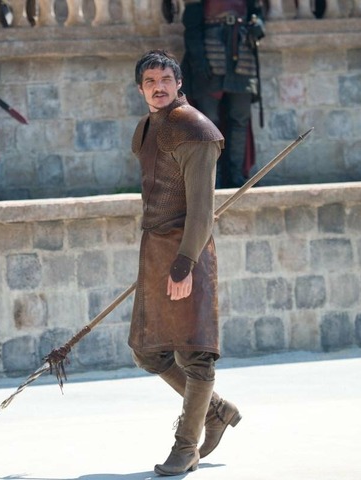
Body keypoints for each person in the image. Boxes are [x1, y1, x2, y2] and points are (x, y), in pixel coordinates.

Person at [129, 49, 241, 476]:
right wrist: (161, 262)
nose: (158, 88)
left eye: (165, 80)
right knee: (147, 351)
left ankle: (186, 447)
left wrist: (185, 263)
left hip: (186, 251)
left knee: (196, 356)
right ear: (141, 89)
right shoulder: (147, 129)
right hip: (155, 251)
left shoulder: (195, 129)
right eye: (150, 82)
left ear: (178, 84)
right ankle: (215, 411)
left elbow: (201, 210)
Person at [181, 0, 265, 188]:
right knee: (208, 121)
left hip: (242, 50)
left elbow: (256, 11)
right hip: (210, 52)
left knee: (240, 117)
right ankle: (213, 178)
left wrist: (258, 24)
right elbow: (192, 25)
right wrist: (199, 60)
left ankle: (237, 176)